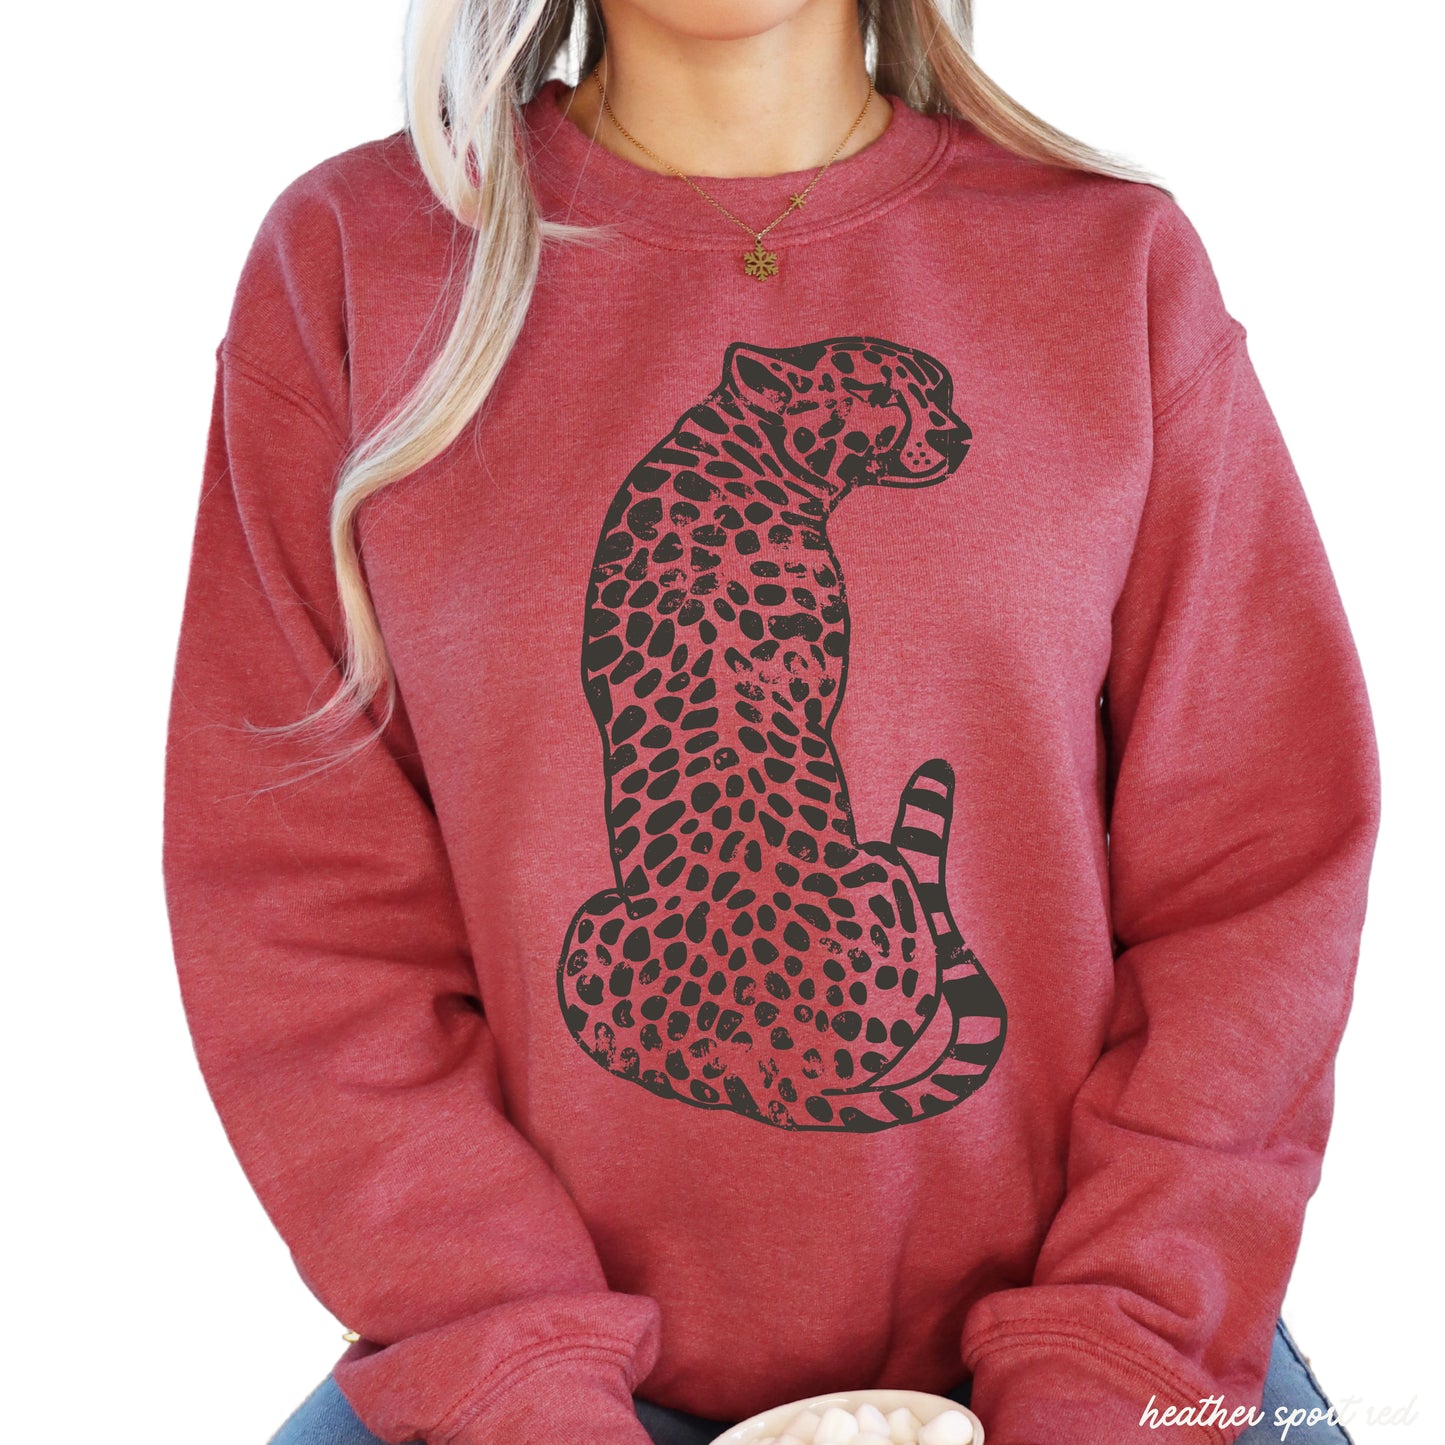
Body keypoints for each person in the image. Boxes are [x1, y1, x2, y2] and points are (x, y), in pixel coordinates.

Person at [161, 1, 1381, 1442]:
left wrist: (1111, 1362)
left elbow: (1256, 874)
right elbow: (300, 914)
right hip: (527, 1366)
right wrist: (520, 1382)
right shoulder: (356, 260)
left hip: (1098, 1343)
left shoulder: (1113, 261)